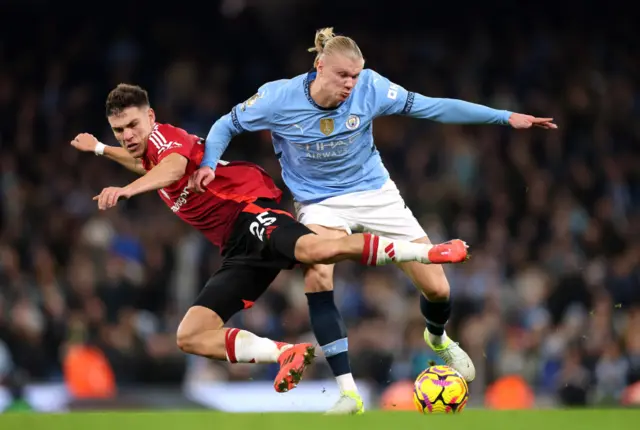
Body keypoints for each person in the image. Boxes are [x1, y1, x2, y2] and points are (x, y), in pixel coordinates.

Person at [189, 27, 558, 413]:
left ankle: (438, 339)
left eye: (356, 75)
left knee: (438, 290)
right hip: (320, 203)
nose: (351, 84)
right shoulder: (278, 97)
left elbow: (433, 106)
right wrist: (210, 164)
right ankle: (348, 391)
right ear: (319, 67)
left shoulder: (372, 87)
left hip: (376, 195)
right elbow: (225, 125)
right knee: (316, 270)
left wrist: (504, 117)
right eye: (342, 76)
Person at [70, 83, 470, 395]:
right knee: (190, 335)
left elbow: (172, 168)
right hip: (235, 246)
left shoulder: (164, 141)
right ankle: (286, 353)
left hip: (249, 211)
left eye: (133, 126)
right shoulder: (143, 151)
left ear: (151, 117)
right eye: (119, 130)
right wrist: (102, 149)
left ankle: (427, 251)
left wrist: (127, 190)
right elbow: (140, 159)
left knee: (317, 250)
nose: (127, 135)